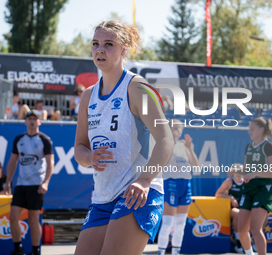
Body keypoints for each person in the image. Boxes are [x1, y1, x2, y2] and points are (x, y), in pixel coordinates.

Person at [74, 20, 174, 255]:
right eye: (95, 44)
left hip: (137, 192)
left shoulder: (136, 87)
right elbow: (79, 147)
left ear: (124, 49)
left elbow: (165, 139)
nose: (100, 50)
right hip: (102, 197)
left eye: (108, 44)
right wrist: (89, 157)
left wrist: (145, 180)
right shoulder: (88, 96)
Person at [4, 110, 54, 255]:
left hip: (36, 183)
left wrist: (45, 182)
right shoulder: (19, 139)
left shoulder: (44, 139)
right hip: (21, 184)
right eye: (29, 118)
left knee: (33, 219)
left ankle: (35, 250)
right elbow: (13, 161)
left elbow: (50, 162)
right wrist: (8, 181)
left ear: (40, 122)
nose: (32, 121)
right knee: (13, 216)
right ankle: (18, 248)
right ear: (25, 121)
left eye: (35, 119)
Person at [236, 117, 272, 255]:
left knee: (255, 228)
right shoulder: (249, 146)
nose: (249, 132)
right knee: (242, 229)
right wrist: (236, 171)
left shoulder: (267, 146)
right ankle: (249, 253)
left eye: (252, 129)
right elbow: (245, 170)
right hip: (249, 188)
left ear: (261, 130)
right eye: (249, 129)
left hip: (263, 188)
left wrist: (255, 173)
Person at [157, 119, 198, 255]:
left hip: (186, 183)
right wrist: (171, 143)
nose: (178, 130)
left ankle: (176, 252)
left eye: (180, 128)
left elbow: (196, 166)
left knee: (181, 224)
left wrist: (189, 148)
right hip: (171, 183)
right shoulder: (165, 143)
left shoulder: (184, 145)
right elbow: (164, 163)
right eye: (174, 128)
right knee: (168, 222)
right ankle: (161, 252)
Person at [215, 163, 245, 253]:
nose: (239, 174)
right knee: (238, 214)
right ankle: (238, 241)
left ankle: (254, 242)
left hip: (246, 208)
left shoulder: (247, 182)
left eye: (240, 171)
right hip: (232, 209)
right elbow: (217, 194)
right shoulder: (229, 181)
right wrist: (230, 198)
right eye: (237, 172)